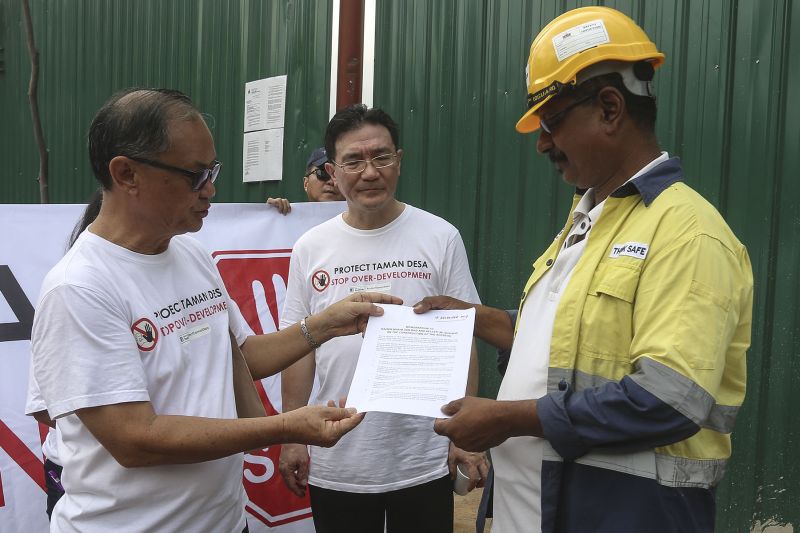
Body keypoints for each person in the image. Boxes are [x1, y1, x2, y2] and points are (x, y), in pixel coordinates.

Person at [418, 6, 753, 533]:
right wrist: (477, 319)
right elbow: (573, 339)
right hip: (534, 512)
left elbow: (670, 398)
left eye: (551, 122)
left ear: (610, 108)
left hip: (624, 514)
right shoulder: (590, 219)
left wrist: (510, 418)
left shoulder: (688, 233)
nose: (542, 143)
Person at [27, 88, 401, 532]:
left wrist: (325, 325)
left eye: (213, 170)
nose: (211, 188)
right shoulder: (79, 288)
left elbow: (241, 357)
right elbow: (136, 440)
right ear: (126, 174)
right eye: (196, 175)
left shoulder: (190, 253)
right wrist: (285, 427)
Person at [276, 104, 489, 533]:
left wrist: (463, 435)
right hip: (338, 456)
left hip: (422, 456)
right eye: (354, 160)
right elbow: (299, 348)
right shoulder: (310, 247)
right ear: (333, 171)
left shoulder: (440, 236)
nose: (370, 172)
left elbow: (462, 337)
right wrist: (293, 436)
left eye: (382, 157)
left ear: (399, 160)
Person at [266, 146, 345, 214]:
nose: (331, 181)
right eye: (322, 173)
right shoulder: (286, 217)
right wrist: (269, 214)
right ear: (306, 183)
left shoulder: (353, 222)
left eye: (336, 175)